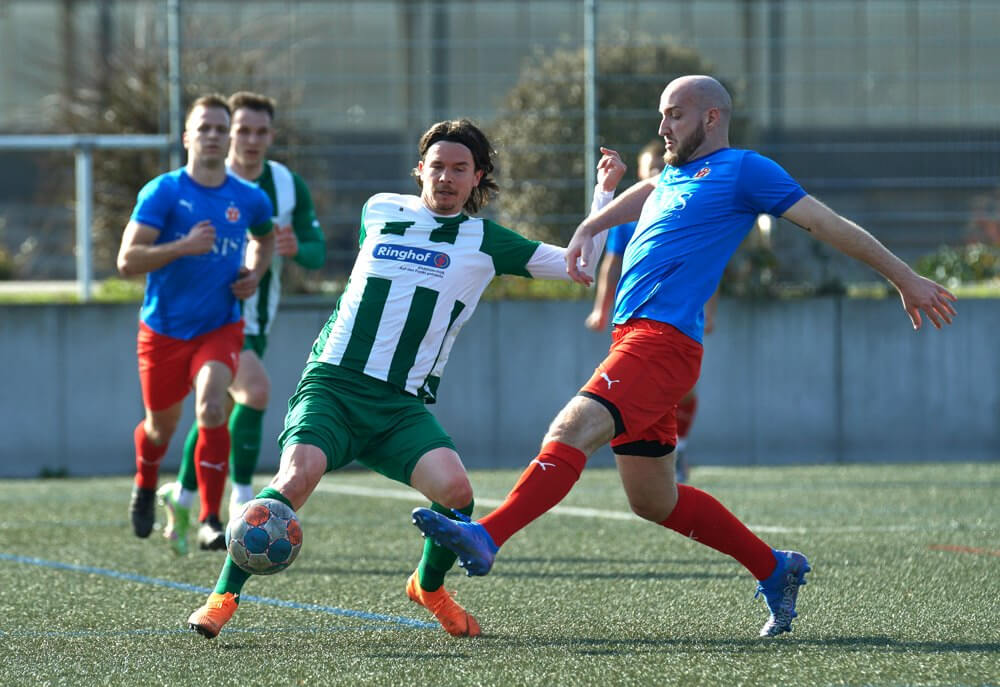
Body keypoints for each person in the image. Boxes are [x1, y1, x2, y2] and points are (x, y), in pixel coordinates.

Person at [411, 75, 958, 639]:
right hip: (633, 341)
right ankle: (776, 568)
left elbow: (828, 224)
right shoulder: (674, 174)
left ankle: (489, 535)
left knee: (571, 427)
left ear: (712, 118)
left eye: (673, 114)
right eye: (661, 115)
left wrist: (905, 278)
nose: (662, 126)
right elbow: (649, 190)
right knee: (654, 499)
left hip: (663, 343)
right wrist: (592, 223)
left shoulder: (746, 170)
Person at [186, 119, 625, 639]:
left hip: (398, 407)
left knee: (457, 493)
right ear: (419, 170)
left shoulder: (486, 241)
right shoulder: (381, 209)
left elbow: (581, 266)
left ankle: (429, 586)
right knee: (294, 480)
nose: (446, 177)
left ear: (477, 176)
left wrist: (604, 193)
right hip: (333, 384)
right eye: (437, 166)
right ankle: (222, 596)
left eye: (459, 168)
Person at [157, 92, 326, 555]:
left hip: (259, 317)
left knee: (217, 409)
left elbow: (317, 251)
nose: (251, 141)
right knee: (250, 394)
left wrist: (293, 247)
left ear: (272, 136)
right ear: (227, 133)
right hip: (214, 318)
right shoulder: (205, 179)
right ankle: (240, 500)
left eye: (260, 132)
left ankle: (185, 495)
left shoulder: (287, 186)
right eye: (242, 131)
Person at [118, 94, 275, 541]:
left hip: (221, 326)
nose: (211, 136)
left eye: (219, 129)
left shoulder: (248, 197)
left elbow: (263, 241)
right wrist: (181, 246)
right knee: (159, 428)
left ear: (228, 139)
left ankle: (210, 520)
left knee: (210, 406)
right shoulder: (164, 191)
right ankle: (146, 484)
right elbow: (127, 260)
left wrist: (254, 274)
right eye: (202, 128)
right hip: (164, 330)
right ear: (187, 136)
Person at [584, 139, 713, 483]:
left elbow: (709, 265)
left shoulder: (688, 208)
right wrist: (601, 308)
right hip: (637, 317)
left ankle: (679, 446)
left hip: (680, 315)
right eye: (650, 170)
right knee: (637, 386)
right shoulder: (627, 217)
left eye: (662, 167)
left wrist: (709, 310)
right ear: (641, 176)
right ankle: (650, 456)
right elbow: (612, 262)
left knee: (682, 387)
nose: (657, 173)